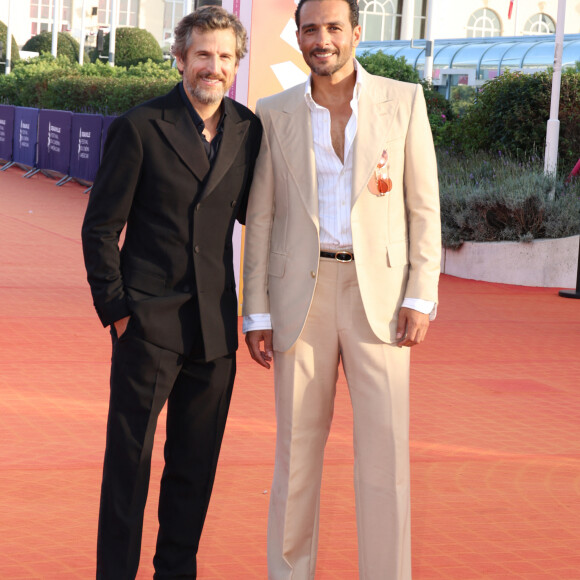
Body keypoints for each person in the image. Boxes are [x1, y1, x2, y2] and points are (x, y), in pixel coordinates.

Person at [242, 0, 440, 578]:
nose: (321, 38)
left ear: (356, 32)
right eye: (310, 29)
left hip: (378, 295)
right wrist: (255, 310)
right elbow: (262, 217)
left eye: (333, 28)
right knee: (296, 455)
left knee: (385, 456)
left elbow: (423, 208)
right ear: (298, 37)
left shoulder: (402, 101)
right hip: (298, 295)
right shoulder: (274, 110)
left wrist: (419, 294)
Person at [81, 6, 262, 579]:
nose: (214, 66)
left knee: (195, 466)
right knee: (129, 467)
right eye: (203, 54)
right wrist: (117, 312)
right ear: (180, 59)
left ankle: (176, 571)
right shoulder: (139, 126)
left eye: (225, 57)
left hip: (214, 330)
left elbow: (257, 219)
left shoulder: (246, 128)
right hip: (148, 327)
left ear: (237, 64)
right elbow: (101, 228)